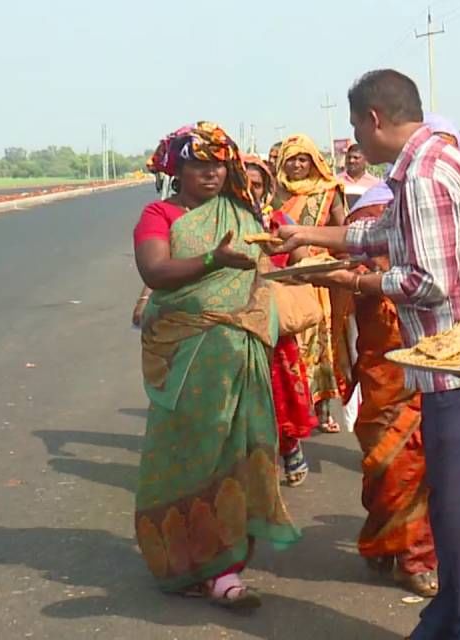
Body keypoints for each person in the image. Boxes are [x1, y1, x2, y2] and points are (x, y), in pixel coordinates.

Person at [276, 69, 460, 640]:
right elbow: (385, 234)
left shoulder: (424, 175)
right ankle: (453, 619)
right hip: (454, 365)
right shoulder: (432, 162)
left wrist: (358, 285)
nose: (354, 141)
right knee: (457, 513)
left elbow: (425, 280)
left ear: (374, 119)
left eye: (355, 126)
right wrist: (313, 240)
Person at [131, 122, 307, 610]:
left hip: (238, 349)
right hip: (185, 356)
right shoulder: (159, 213)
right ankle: (182, 560)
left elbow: (272, 258)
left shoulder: (244, 213)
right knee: (186, 455)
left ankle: (225, 570)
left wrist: (293, 254)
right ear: (178, 169)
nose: (210, 174)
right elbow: (155, 271)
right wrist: (214, 259)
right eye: (198, 165)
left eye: (218, 165)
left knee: (236, 451)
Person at [338, 182, 439, 598]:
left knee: (418, 464)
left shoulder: (429, 244)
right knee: (385, 464)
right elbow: (339, 314)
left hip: (428, 366)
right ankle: (383, 540)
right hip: (381, 374)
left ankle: (414, 559)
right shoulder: (357, 255)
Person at [242, 153, 319, 486]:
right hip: (232, 323)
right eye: (242, 182)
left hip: (274, 324)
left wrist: (282, 270)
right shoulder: (218, 222)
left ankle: (289, 447)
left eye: (256, 184)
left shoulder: (279, 221)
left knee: (279, 392)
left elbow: (302, 259)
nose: (249, 190)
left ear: (267, 188)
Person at [274, 133, 349, 433]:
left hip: (320, 276)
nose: (297, 165)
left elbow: (343, 230)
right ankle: (295, 412)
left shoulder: (329, 191)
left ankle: (324, 408)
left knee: (323, 344)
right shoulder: (277, 193)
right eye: (291, 159)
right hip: (289, 277)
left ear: (314, 161)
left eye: (303, 158)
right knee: (293, 343)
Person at [336, 141, 382, 208]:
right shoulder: (336, 181)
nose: (351, 160)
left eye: (356, 157)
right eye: (349, 157)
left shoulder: (376, 184)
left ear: (365, 160)